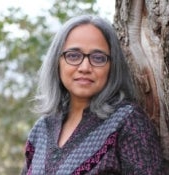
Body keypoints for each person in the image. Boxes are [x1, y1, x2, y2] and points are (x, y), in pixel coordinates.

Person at [21, 15, 165, 175]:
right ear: (57, 62)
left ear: (113, 66)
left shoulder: (127, 121)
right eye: (73, 55)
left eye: (98, 58)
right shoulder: (42, 129)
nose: (85, 67)